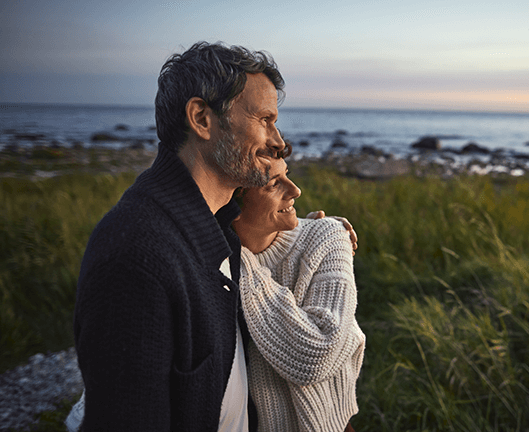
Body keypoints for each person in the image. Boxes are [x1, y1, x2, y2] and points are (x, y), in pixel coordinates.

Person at [71, 41, 356, 431]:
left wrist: (323, 233)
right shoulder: (136, 253)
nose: (277, 140)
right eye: (265, 119)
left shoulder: (217, 228)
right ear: (202, 118)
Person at [233, 156, 365, 432]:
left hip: (331, 425)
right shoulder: (211, 260)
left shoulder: (328, 235)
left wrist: (240, 260)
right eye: (273, 183)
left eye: (288, 175)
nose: (295, 190)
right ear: (231, 203)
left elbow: (317, 354)